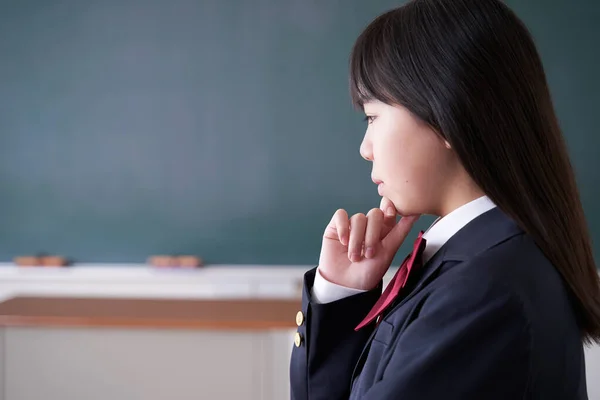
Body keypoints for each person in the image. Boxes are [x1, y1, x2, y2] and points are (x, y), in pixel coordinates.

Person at [289, 0, 600, 398]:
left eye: (372, 117)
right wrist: (340, 293)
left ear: (446, 112)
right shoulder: (479, 260)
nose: (366, 148)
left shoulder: (482, 289)